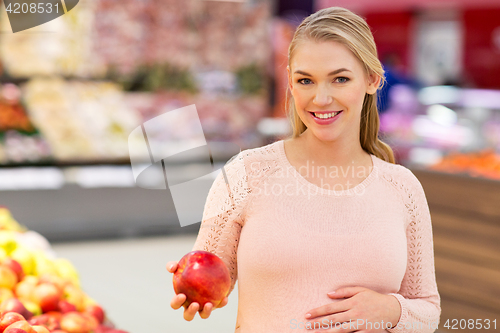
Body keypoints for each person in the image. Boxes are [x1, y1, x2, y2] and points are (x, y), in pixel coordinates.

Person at [167, 6, 441, 333]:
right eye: (305, 80)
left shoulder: (403, 188)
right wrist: (199, 294)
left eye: (340, 78)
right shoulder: (246, 174)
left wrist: (392, 310)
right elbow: (209, 271)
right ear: (291, 84)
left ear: (372, 80)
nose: (321, 98)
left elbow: (428, 309)